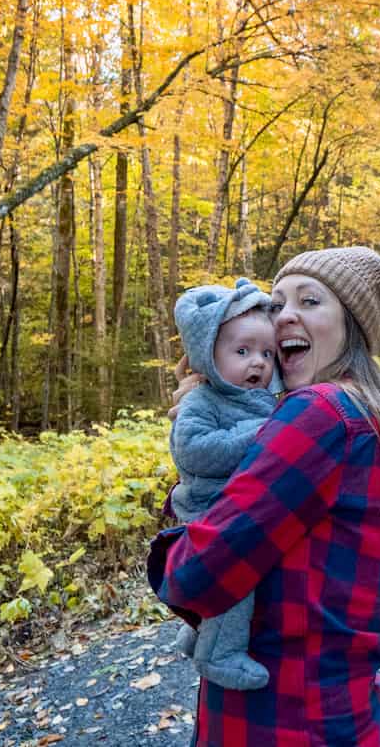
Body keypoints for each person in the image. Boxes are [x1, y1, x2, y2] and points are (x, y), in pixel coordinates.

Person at [148, 246, 380, 746]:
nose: (285, 316)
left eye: (310, 301)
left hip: (281, 723)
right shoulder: (373, 411)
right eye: (276, 305)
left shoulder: (317, 413)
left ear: (352, 328)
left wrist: (188, 503)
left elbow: (192, 577)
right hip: (351, 715)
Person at [168, 277, 282, 690]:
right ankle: (219, 655)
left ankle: (198, 631)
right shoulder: (202, 400)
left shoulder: (257, 395)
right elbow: (194, 451)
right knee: (238, 577)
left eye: (267, 353)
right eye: (242, 351)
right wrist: (260, 433)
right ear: (209, 356)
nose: (258, 363)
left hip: (235, 502)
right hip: (206, 506)